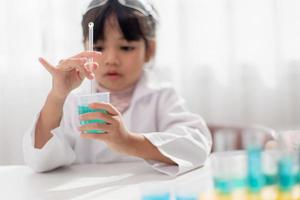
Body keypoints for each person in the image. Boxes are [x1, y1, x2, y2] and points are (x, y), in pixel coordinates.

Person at [23, 0, 212, 176]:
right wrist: (56, 96)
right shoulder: (72, 102)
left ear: (150, 50)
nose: (111, 59)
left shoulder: (162, 97)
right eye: (98, 47)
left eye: (126, 47)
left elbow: (197, 145)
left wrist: (128, 141)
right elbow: (39, 160)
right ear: (84, 49)